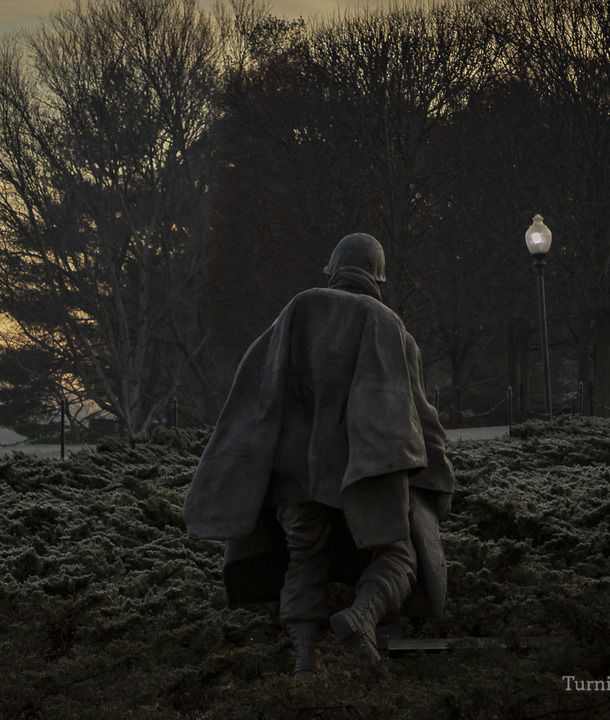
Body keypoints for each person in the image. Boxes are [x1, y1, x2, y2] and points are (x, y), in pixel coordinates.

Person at [183, 233, 455, 679]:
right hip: (368, 473)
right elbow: (422, 419)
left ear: (333, 269)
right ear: (377, 277)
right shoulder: (389, 325)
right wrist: (439, 482)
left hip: (296, 478)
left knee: (304, 558)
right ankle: (362, 617)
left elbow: (255, 387)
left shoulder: (296, 311)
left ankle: (305, 662)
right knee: (397, 553)